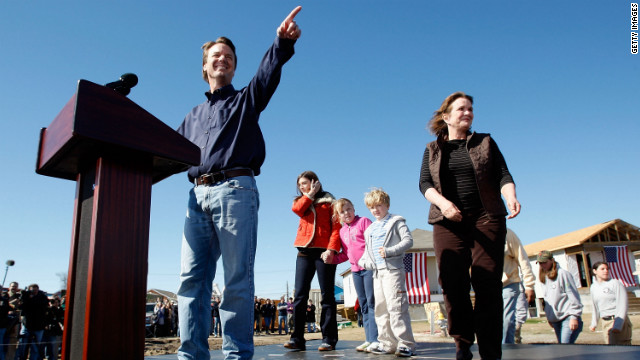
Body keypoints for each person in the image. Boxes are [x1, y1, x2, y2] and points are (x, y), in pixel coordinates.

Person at [175, 6, 302, 360]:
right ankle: (191, 355)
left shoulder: (246, 100)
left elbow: (267, 75)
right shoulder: (191, 117)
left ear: (233, 66)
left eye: (229, 56)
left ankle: (236, 355)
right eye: (216, 55)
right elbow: (165, 152)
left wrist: (281, 44)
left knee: (236, 280)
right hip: (195, 197)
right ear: (204, 67)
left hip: (235, 192)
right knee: (190, 282)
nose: (223, 60)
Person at [419, 92, 520, 360]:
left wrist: (510, 196)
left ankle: (490, 351)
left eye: (470, 109)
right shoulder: (433, 149)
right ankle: (463, 344)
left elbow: (503, 174)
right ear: (446, 116)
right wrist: (444, 205)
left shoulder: (485, 142)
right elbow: (425, 185)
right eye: (461, 109)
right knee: (453, 283)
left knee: (487, 284)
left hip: (487, 218)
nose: (468, 113)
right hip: (448, 221)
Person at [284, 171, 341, 352]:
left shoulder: (329, 200)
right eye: (300, 184)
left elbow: (337, 226)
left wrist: (331, 249)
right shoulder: (300, 201)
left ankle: (329, 339)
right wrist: (309, 194)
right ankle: (297, 338)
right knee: (300, 295)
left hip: (324, 252)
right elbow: (298, 210)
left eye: (305, 183)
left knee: (327, 296)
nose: (302, 187)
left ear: (315, 182)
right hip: (304, 252)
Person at [357, 188, 416, 357]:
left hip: (393, 271)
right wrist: (364, 263)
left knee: (396, 307)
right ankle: (387, 343)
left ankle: (406, 344)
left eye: (379, 205)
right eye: (371, 207)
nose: (375, 210)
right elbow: (367, 254)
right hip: (378, 274)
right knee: (381, 309)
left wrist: (390, 251)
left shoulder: (396, 222)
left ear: (387, 205)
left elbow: (408, 241)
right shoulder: (370, 229)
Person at [325, 198, 378, 352]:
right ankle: (368, 339)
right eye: (342, 212)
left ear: (354, 209)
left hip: (368, 268)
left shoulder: (364, 222)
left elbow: (373, 243)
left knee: (372, 302)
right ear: (338, 216)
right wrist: (332, 260)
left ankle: (376, 339)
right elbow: (346, 254)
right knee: (363, 306)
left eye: (348, 209)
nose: (346, 213)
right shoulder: (342, 231)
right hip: (356, 271)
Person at [537, 250, 583, 344]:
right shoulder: (544, 277)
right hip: (555, 319)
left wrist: (574, 316)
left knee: (565, 345)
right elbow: (547, 299)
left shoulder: (563, 274)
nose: (542, 265)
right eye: (540, 263)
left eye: (545, 262)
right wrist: (549, 317)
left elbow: (573, 296)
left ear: (552, 260)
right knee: (561, 347)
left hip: (567, 317)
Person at [502, 229, 535, 344]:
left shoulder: (508, 234)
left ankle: (507, 349)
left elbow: (523, 259)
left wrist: (529, 285)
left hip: (509, 283)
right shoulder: (475, 232)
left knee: (507, 321)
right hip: (488, 286)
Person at [589, 261, 632, 345]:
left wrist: (618, 325)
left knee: (623, 351)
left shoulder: (615, 283)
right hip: (605, 322)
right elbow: (595, 307)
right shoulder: (593, 287)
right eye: (602, 269)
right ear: (595, 271)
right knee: (611, 350)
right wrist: (594, 323)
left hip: (617, 320)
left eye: (607, 269)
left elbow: (622, 304)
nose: (606, 271)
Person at [15, 284, 49, 360]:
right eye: (32, 290)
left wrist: (31, 299)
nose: (34, 291)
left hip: (39, 326)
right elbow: (22, 307)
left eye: (35, 290)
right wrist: (25, 297)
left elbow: (42, 306)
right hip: (27, 324)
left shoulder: (42, 297)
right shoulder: (26, 296)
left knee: (35, 347)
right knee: (22, 346)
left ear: (38, 290)